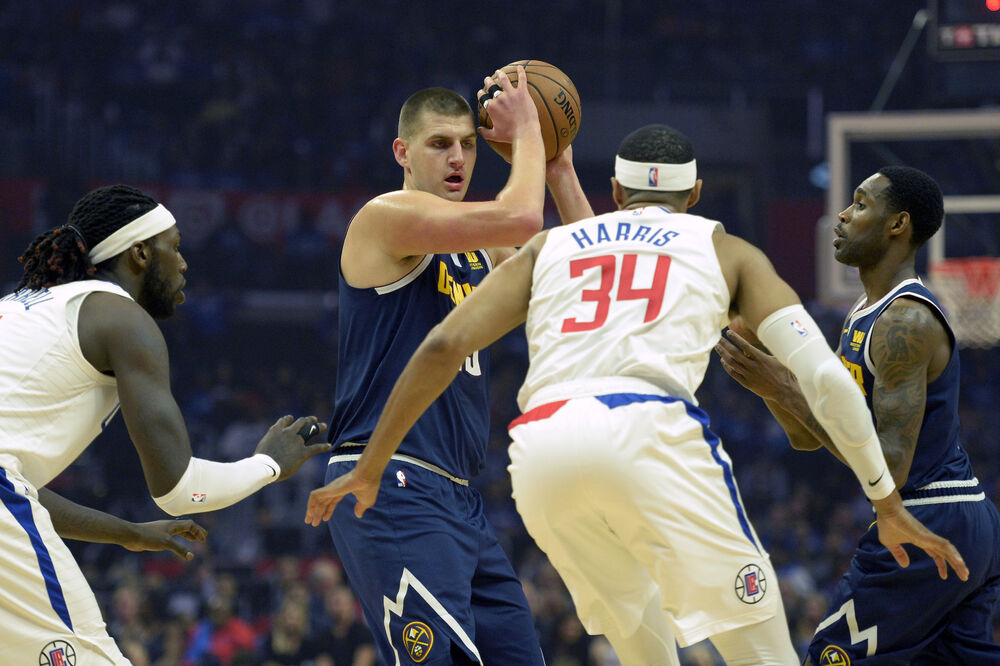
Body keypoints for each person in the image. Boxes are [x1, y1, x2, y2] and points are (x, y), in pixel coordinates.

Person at [306, 126, 969, 666]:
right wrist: (885, 501)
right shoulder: (724, 247)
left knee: (642, 646)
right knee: (763, 651)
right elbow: (823, 380)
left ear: (616, 189)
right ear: (698, 193)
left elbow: (441, 349)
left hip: (540, 451)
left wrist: (367, 467)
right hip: (648, 431)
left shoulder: (549, 246)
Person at [320, 65, 593, 665]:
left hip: (459, 498)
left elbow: (592, 277)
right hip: (389, 480)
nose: (458, 158)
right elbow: (522, 218)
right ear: (403, 152)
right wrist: (526, 129)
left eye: (468, 145)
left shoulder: (480, 246)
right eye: (440, 144)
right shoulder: (385, 216)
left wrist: (559, 169)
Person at [0, 184, 331, 664]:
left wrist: (128, 534)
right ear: (138, 253)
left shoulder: (23, 307)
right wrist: (268, 465)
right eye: (173, 247)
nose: (183, 264)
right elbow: (180, 490)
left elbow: (21, 492)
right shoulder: (122, 318)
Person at [715, 165, 1000, 664]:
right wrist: (770, 384)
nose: (842, 215)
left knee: (829, 656)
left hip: (927, 513)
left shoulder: (903, 320)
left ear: (898, 225)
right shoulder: (864, 314)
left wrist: (787, 385)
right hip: (954, 517)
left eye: (861, 204)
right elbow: (809, 438)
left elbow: (887, 467)